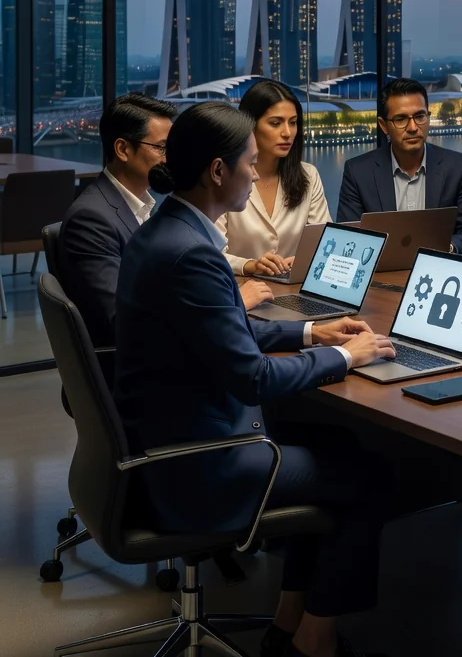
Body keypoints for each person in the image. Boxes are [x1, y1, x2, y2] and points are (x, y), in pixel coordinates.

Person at [115, 102, 396, 657]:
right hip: (198, 461)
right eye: (248, 162)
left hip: (167, 438)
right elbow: (251, 378)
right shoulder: (193, 253)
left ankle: (290, 619)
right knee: (368, 476)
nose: (255, 172)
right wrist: (349, 358)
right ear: (218, 171)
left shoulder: (165, 232)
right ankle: (316, 642)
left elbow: (219, 333)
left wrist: (313, 334)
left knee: (337, 445)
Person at [57, 94, 177, 347]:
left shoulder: (140, 205)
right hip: (134, 372)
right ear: (123, 149)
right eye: (162, 147)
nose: (170, 158)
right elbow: (124, 318)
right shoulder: (91, 219)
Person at [337, 78, 462, 256]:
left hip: (436, 273)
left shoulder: (457, 166)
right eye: (401, 119)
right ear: (384, 126)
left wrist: (446, 248)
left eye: (420, 116)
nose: (413, 127)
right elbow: (347, 239)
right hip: (382, 275)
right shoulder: (358, 172)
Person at [216, 80, 332, 278]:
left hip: (295, 290)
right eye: (275, 123)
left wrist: (307, 259)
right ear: (250, 126)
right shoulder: (225, 176)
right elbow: (210, 252)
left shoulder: (308, 175)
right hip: (240, 290)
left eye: (293, 123)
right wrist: (250, 265)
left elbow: (326, 243)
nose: (287, 133)